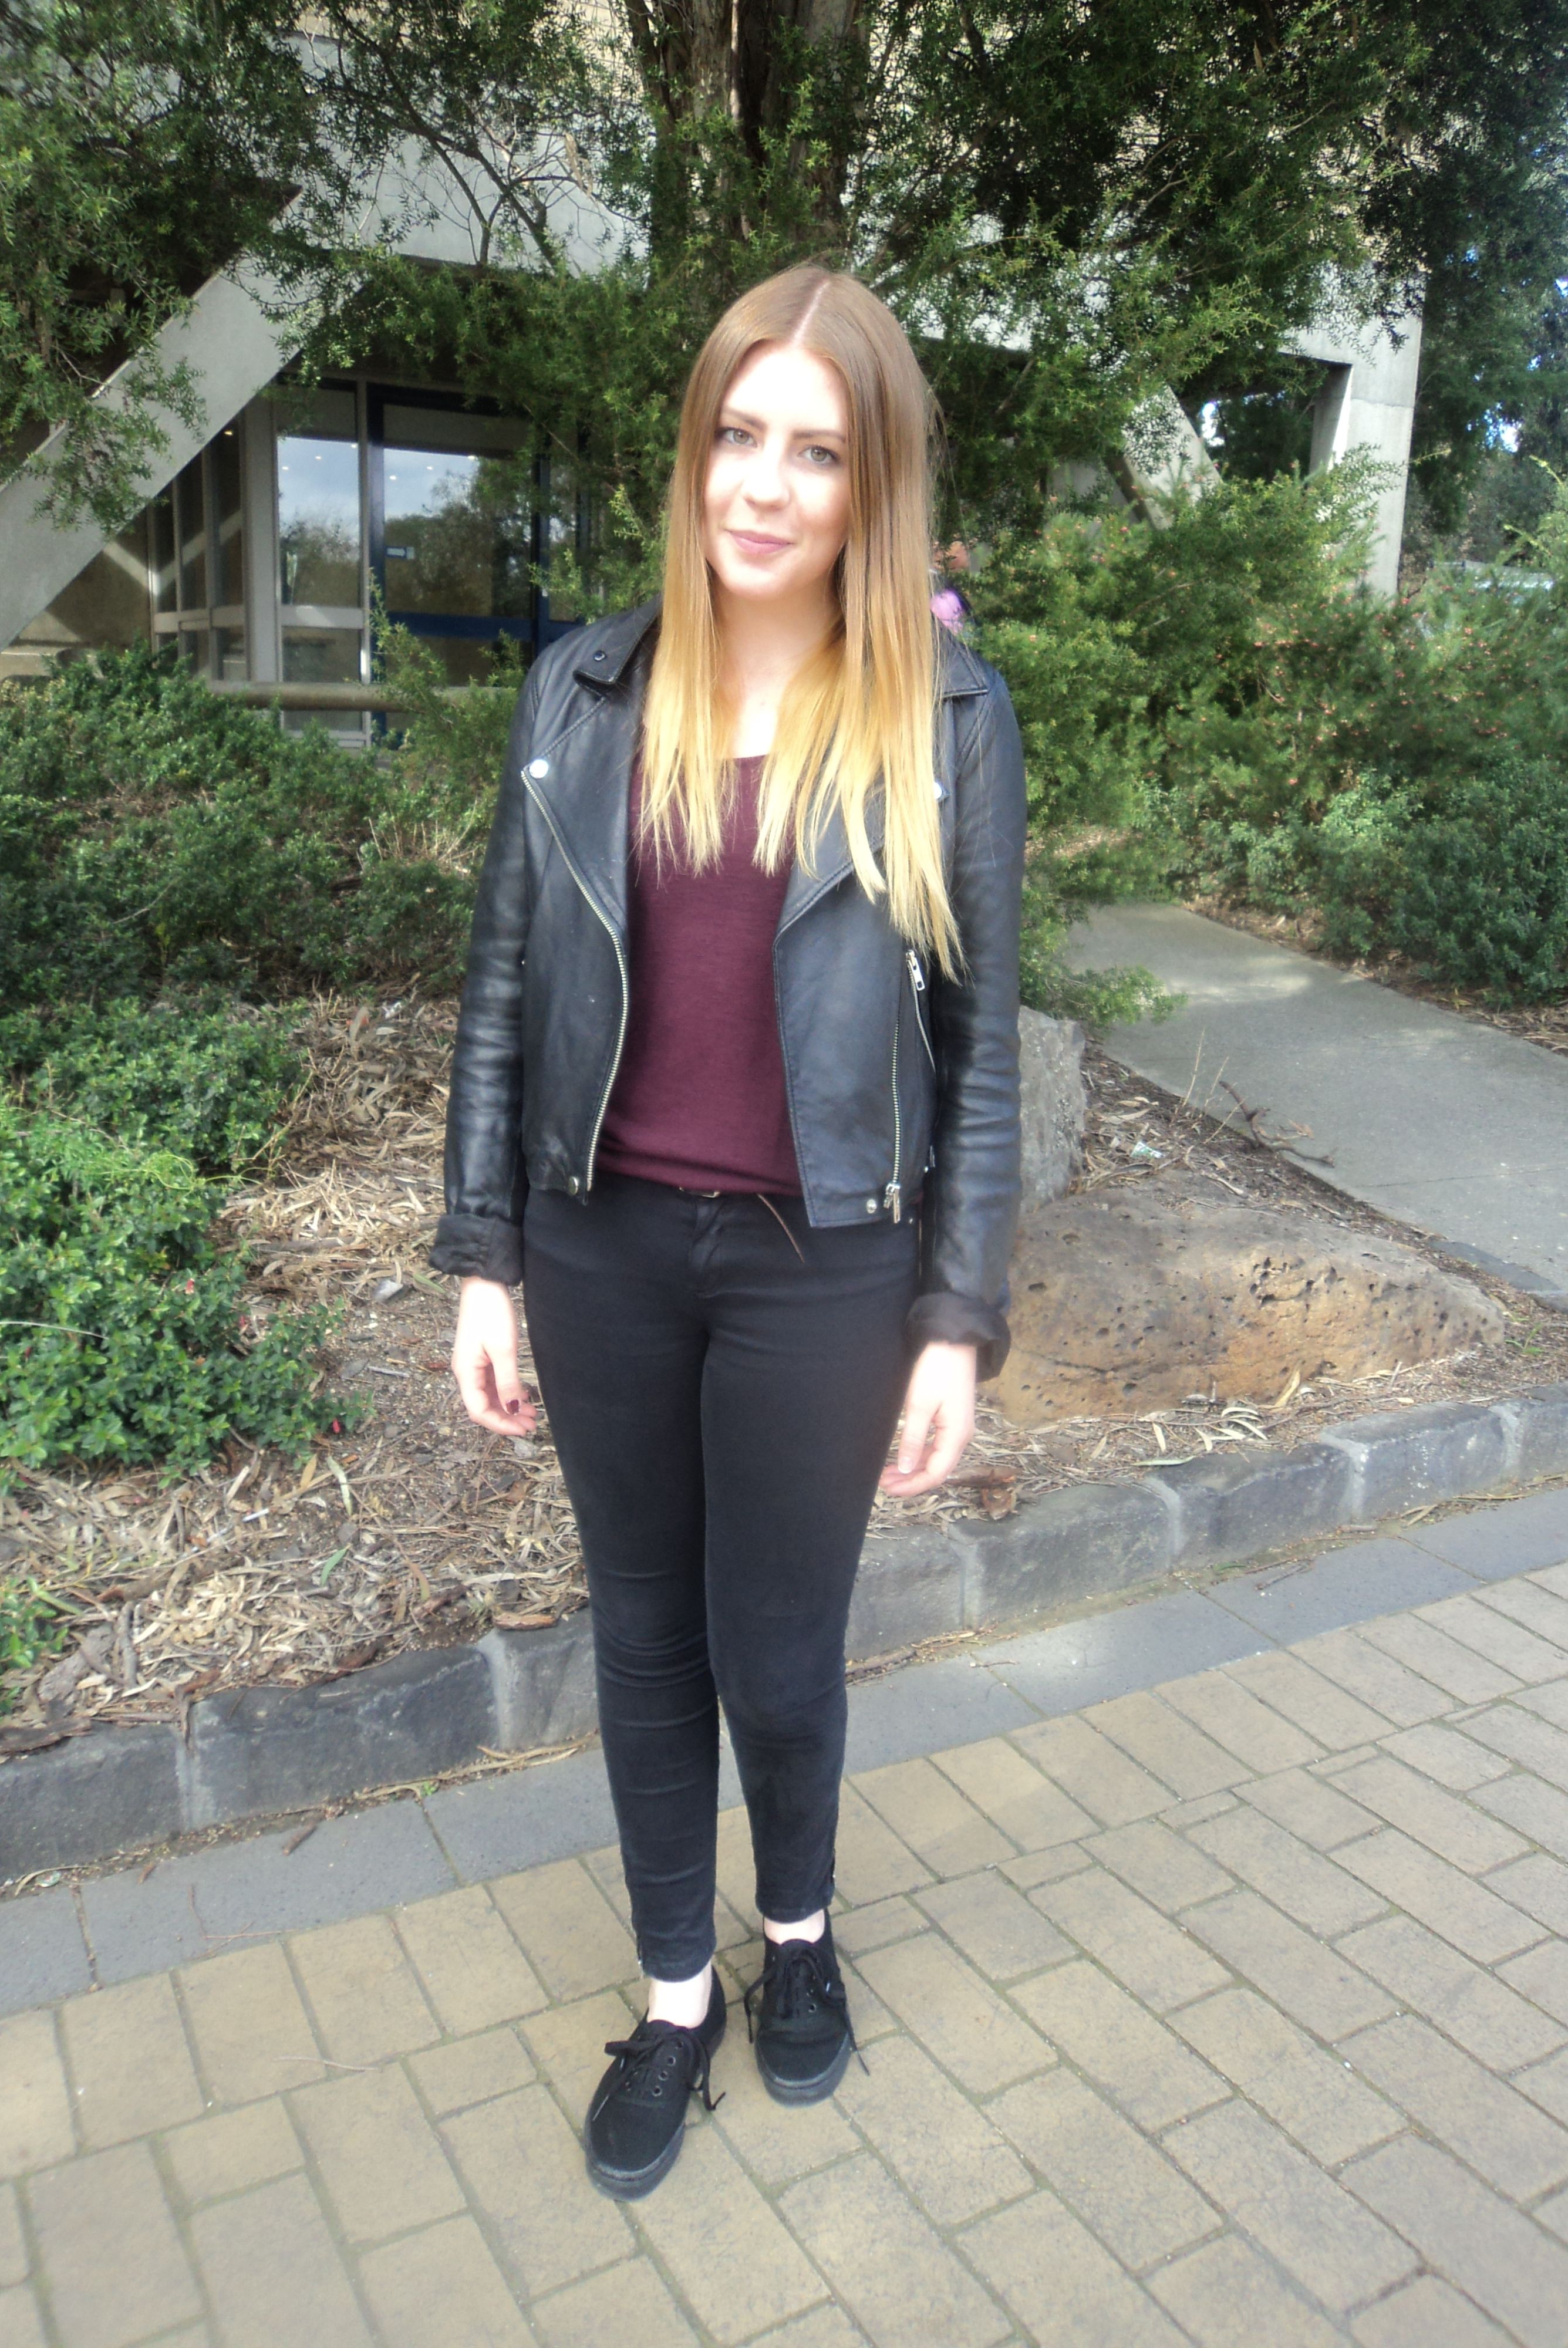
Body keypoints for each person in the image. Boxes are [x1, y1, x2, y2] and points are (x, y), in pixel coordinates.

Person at [434, 264, 1026, 2199]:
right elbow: (503, 990)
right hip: (599, 1245)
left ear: (875, 487)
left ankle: (803, 1937)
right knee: (642, 1635)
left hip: (823, 1265)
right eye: (737, 435)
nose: (764, 484)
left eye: (817, 451)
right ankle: (677, 1996)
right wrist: (484, 1254)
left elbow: (980, 1046)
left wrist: (957, 1316)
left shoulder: (946, 716)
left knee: (779, 1654)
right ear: (695, 450)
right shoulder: (584, 689)